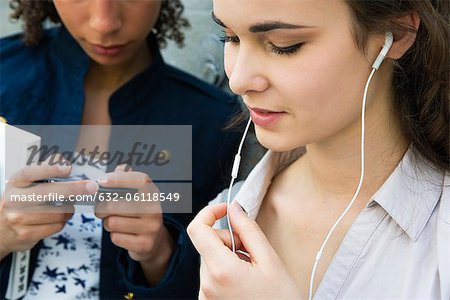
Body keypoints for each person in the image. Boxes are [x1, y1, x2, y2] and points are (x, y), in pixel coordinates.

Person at [187, 0, 449, 299]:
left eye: (284, 45)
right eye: (230, 38)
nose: (238, 80)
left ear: (397, 34)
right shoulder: (228, 218)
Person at [0, 0, 242, 299]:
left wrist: (158, 253)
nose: (105, 24)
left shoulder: (212, 120)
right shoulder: (4, 77)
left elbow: (213, 283)